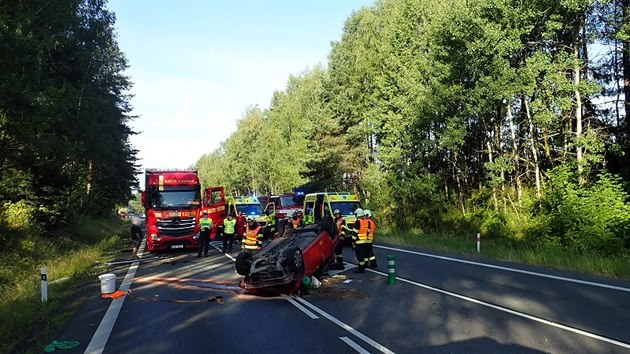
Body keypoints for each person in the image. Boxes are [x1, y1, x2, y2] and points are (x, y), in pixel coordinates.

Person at [351, 208, 369, 273]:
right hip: (365, 241)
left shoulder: (357, 222)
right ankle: (362, 267)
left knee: (360, 257)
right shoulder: (366, 221)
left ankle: (361, 269)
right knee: (363, 256)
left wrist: (353, 241)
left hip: (358, 242)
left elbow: (355, 233)